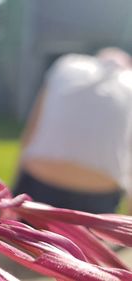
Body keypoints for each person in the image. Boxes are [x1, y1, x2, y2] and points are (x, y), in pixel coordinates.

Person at [13, 47, 132, 214]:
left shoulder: (67, 64)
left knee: (13, 238)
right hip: (98, 195)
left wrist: (15, 184)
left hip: (40, 179)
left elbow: (32, 128)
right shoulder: (128, 83)